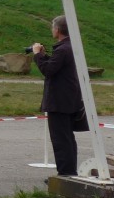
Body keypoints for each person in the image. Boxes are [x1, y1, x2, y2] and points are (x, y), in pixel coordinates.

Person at [32, 15, 87, 176]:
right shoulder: (70, 47)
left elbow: (48, 71)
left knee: (61, 140)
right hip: (69, 99)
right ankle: (69, 171)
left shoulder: (62, 49)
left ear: (57, 30)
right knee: (67, 138)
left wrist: (37, 55)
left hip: (59, 101)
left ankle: (65, 174)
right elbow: (56, 67)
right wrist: (45, 56)